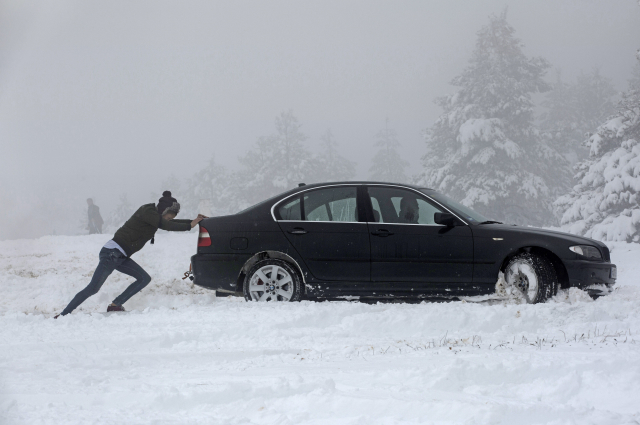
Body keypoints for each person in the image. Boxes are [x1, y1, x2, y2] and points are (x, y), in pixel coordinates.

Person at [55, 192, 206, 318]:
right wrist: (189, 225)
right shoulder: (148, 212)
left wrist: (194, 221)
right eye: (169, 216)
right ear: (163, 210)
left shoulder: (154, 215)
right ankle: (63, 315)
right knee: (93, 288)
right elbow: (165, 225)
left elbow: (168, 222)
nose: (169, 220)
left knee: (144, 278)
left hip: (120, 255)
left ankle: (115, 305)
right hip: (111, 254)